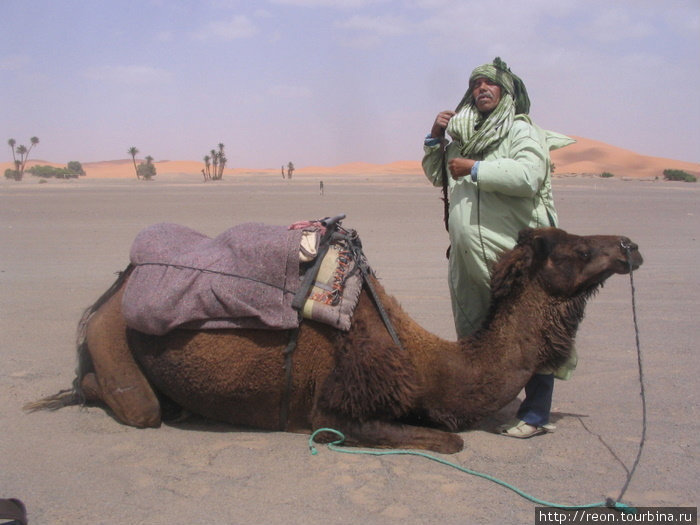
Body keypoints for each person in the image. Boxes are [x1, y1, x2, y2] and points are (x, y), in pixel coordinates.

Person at [422, 57, 575, 438]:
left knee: (528, 330)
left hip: (513, 256)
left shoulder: (522, 130)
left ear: (506, 92)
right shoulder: (462, 133)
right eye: (475, 84)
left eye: (490, 84)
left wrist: (475, 168)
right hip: (467, 259)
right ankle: (481, 403)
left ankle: (536, 414)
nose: (481, 89)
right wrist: (433, 138)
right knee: (476, 333)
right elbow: (437, 174)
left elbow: (528, 175)